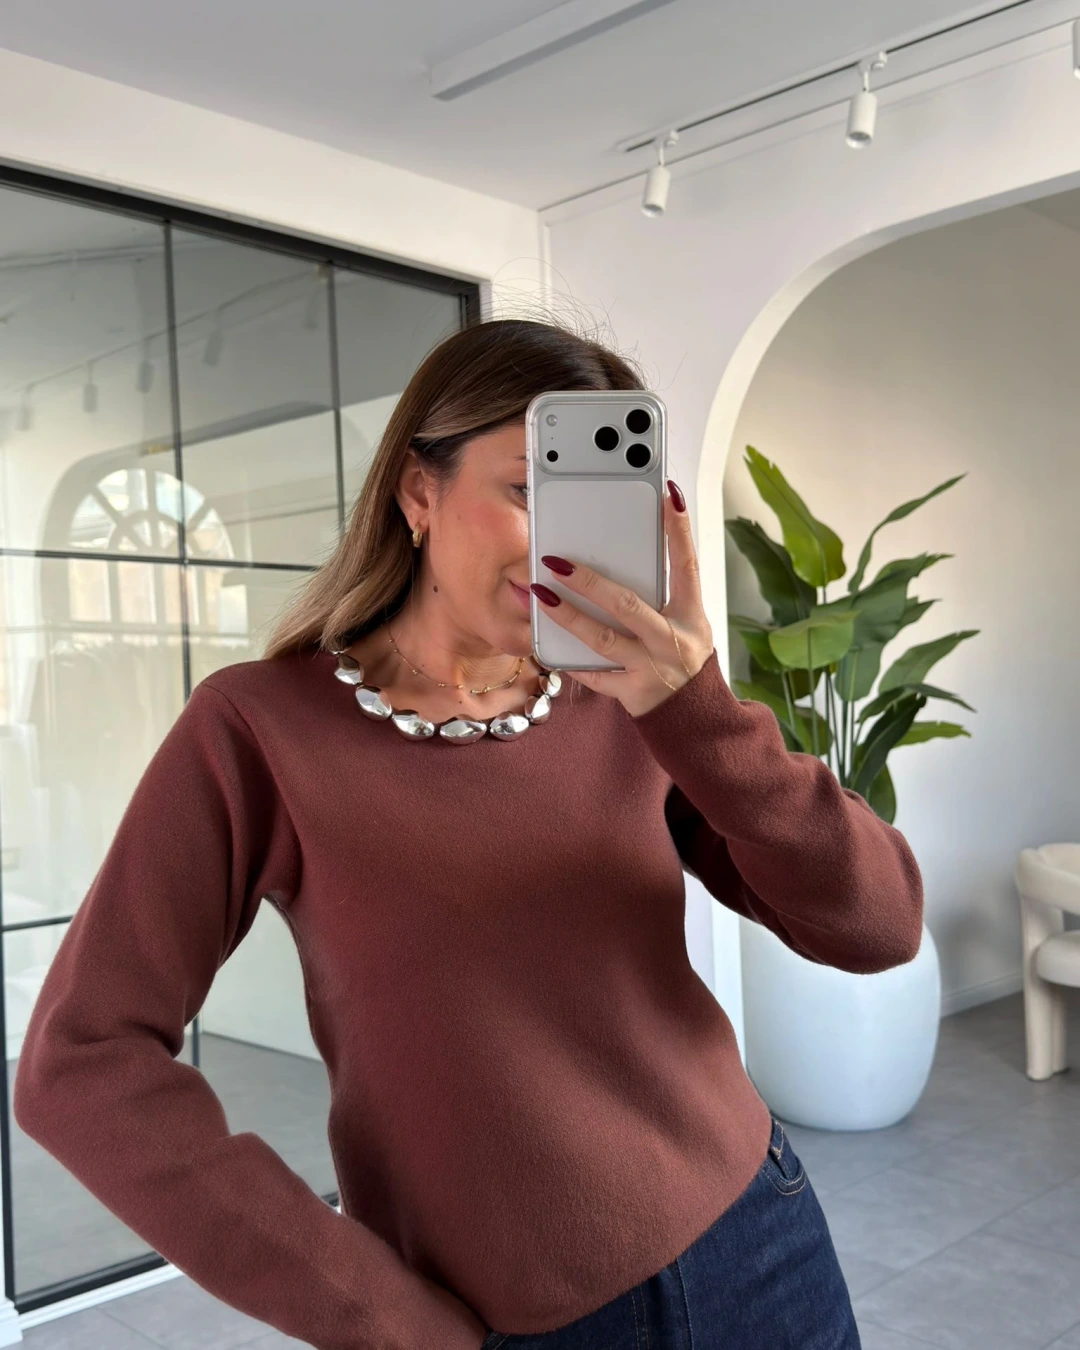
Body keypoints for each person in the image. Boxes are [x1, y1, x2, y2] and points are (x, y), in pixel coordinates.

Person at [13, 317, 923, 1349]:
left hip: (759, 1245)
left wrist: (696, 708)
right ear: (419, 492)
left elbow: (878, 927)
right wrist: (380, 1316)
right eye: (531, 492)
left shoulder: (644, 706)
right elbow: (80, 1063)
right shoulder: (258, 730)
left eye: (600, 504)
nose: (562, 541)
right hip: (504, 1326)